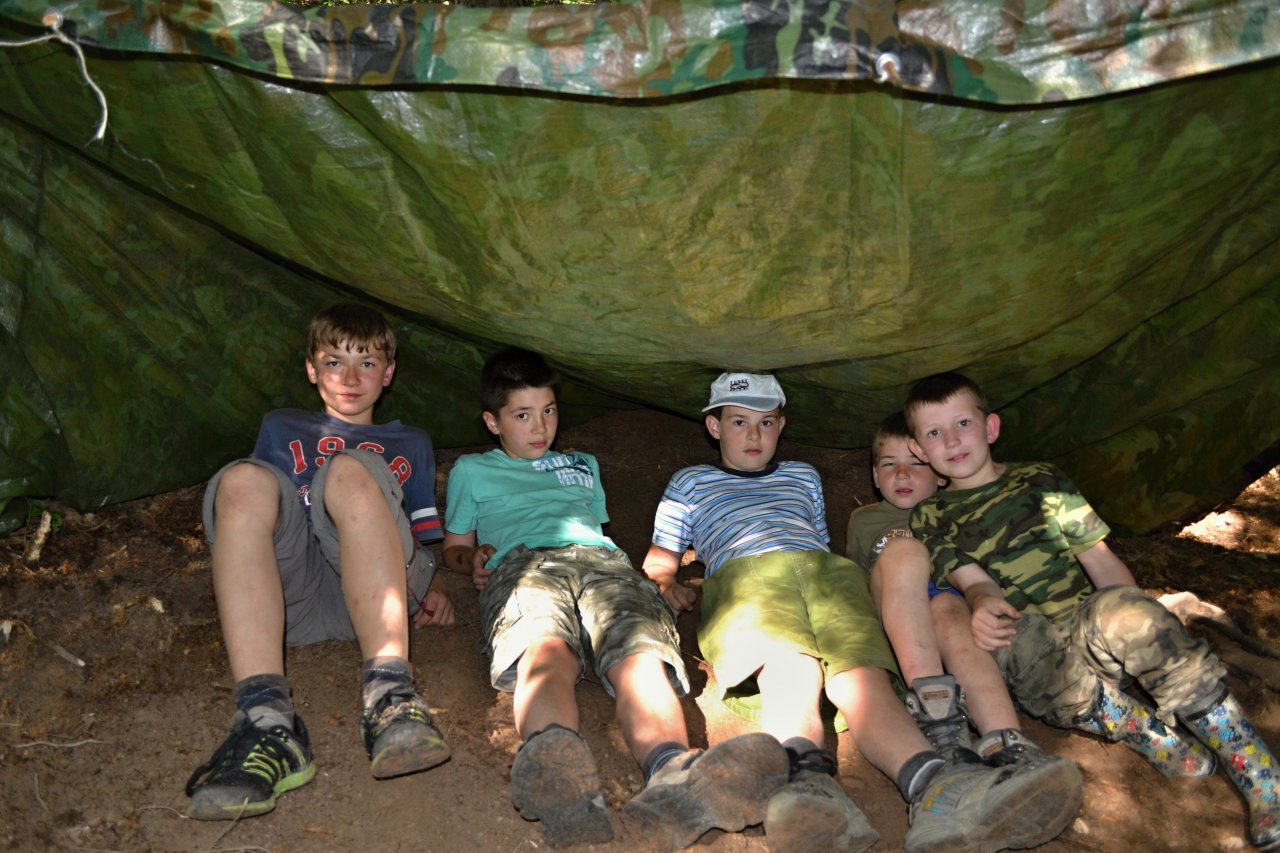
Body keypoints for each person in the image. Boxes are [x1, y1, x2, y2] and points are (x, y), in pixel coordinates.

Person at [642, 372, 1082, 852]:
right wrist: (667, 584)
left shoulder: (803, 475)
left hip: (829, 575)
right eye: (738, 422)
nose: (754, 434)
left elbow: (819, 539)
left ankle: (940, 788)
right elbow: (660, 560)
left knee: (862, 679)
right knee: (791, 665)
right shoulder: (691, 481)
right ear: (714, 427)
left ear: (781, 426)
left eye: (766, 422)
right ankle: (808, 781)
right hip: (748, 576)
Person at [905, 370, 1280, 850]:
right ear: (919, 449)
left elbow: (1100, 562)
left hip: (1089, 627)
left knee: (1131, 612)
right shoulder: (931, 516)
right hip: (1043, 661)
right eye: (934, 433)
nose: (952, 441)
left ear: (990, 427)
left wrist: (1142, 623)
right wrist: (982, 603)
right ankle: (1145, 731)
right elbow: (972, 581)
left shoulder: (1041, 480)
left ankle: (1256, 768)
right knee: (1008, 638)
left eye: (962, 423)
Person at [442, 348, 790, 851]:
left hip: (603, 565)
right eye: (522, 415)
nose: (540, 427)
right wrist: (472, 559)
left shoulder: (582, 465)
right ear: (492, 422)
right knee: (547, 650)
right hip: (525, 565)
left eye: (549, 411)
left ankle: (673, 775)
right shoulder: (473, 470)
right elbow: (454, 548)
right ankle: (559, 778)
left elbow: (596, 531)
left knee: (638, 654)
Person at [185, 303, 454, 821]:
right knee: (241, 480)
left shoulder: (411, 442)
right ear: (312, 369)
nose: (350, 379)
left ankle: (390, 695)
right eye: (334, 363)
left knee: (351, 469)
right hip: (291, 602)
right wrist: (238, 568)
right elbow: (263, 510)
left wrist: (432, 583)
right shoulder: (280, 426)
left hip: (378, 594)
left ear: (388, 373)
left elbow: (422, 535)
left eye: (366, 364)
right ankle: (266, 720)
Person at [848, 412, 1078, 773]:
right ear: (875, 476)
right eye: (889, 464)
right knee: (905, 552)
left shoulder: (952, 514)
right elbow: (857, 582)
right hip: (896, 610)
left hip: (951, 609)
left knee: (948, 610)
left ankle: (1007, 741)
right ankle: (937, 717)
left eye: (916, 464)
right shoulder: (864, 520)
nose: (902, 474)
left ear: (941, 475)